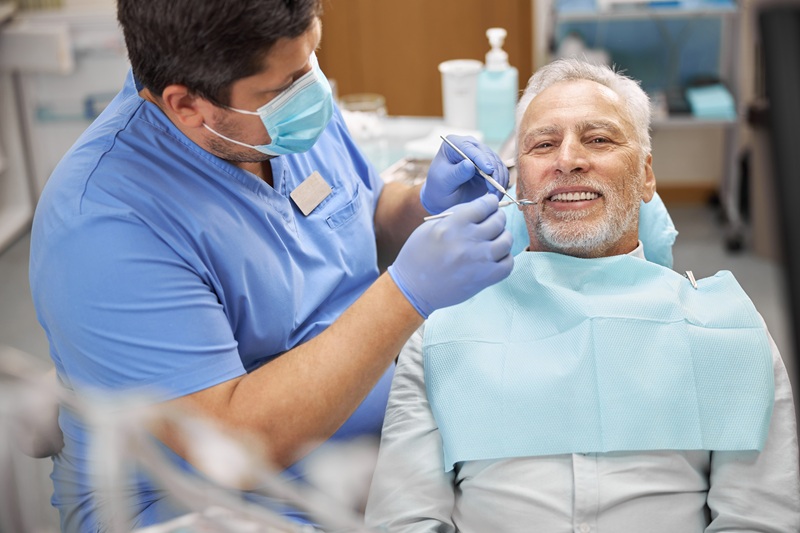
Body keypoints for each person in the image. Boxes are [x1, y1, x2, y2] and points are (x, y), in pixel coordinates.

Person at [27, 0, 519, 530]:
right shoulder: (105, 224)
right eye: (284, 86)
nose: (311, 90)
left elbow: (359, 211)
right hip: (207, 504)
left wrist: (422, 205)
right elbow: (233, 445)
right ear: (187, 105)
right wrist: (405, 294)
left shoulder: (279, 111)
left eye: (312, 59)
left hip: (363, 455)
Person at [365, 58, 800, 532]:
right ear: (516, 182)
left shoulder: (725, 331)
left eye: (598, 139)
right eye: (543, 144)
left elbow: (759, 520)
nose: (567, 159)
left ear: (646, 175)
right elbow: (402, 522)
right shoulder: (443, 335)